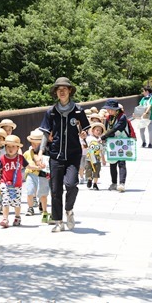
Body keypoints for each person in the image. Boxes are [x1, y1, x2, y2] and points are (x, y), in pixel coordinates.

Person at [35, 77, 90, 233]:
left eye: (65, 89)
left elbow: (85, 130)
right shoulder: (51, 112)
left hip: (73, 154)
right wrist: (40, 153)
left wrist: (84, 134)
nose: (62, 91)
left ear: (70, 91)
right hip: (55, 155)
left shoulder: (78, 110)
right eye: (59, 89)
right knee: (55, 189)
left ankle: (69, 210)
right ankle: (58, 221)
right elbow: (45, 134)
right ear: (56, 92)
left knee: (71, 184)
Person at [0, 135, 40, 228]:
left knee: (16, 202)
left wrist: (38, 167)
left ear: (18, 148)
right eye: (8, 146)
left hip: (17, 185)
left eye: (13, 146)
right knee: (5, 201)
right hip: (5, 183)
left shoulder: (20, 158)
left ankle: (17, 217)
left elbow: (28, 166)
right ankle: (5, 219)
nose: (11, 149)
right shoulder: (2, 158)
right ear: (5, 147)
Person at [23, 129, 51, 223]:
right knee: (30, 191)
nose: (33, 145)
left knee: (42, 193)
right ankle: (30, 208)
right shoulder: (29, 152)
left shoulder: (47, 151)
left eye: (36, 143)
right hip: (31, 173)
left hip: (42, 175)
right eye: (32, 143)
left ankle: (43, 208)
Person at [100, 99, 128, 192]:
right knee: (112, 163)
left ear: (116, 109)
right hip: (111, 142)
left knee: (121, 163)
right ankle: (114, 183)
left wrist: (104, 136)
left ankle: (122, 183)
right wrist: (104, 138)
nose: (109, 111)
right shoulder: (109, 118)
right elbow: (107, 129)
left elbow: (116, 128)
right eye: (108, 109)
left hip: (121, 142)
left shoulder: (122, 117)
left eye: (110, 109)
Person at [84, 122, 107, 190]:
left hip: (97, 157)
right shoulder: (88, 138)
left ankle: (95, 184)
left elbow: (102, 150)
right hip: (89, 157)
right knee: (88, 169)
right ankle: (89, 179)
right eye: (97, 130)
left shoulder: (101, 140)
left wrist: (103, 159)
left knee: (96, 170)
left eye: (100, 130)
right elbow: (84, 144)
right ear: (93, 131)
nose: (98, 132)